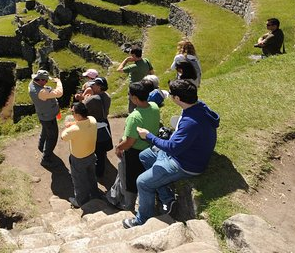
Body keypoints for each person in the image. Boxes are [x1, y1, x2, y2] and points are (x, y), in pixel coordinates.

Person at [123, 79, 220, 228]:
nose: (170, 97)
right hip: (184, 153)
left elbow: (173, 148)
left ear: (177, 99)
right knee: (145, 155)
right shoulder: (199, 107)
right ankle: (167, 198)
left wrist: (148, 136)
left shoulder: (190, 122)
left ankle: (142, 220)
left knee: (142, 182)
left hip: (185, 163)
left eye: (172, 95)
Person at [113, 81, 161, 211]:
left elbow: (130, 142)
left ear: (134, 98)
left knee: (131, 181)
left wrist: (118, 148)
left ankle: (128, 207)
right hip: (150, 150)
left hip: (135, 153)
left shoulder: (135, 117)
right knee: (144, 177)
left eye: (129, 94)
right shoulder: (154, 106)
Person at [61, 102, 101, 207]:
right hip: (91, 154)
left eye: (73, 112)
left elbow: (63, 137)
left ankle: (81, 201)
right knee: (91, 175)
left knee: (78, 180)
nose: (72, 114)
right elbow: (82, 123)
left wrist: (68, 126)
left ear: (78, 115)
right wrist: (74, 123)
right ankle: (95, 193)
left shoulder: (73, 130)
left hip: (78, 158)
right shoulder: (92, 120)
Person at [29, 69, 64, 167]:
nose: (46, 82)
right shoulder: (42, 92)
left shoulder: (32, 84)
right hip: (49, 117)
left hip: (43, 114)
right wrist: (58, 82)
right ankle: (46, 158)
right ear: (40, 80)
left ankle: (41, 146)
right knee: (52, 136)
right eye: (45, 80)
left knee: (45, 130)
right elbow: (59, 93)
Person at [82, 77, 112, 177]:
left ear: (99, 87)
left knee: (95, 149)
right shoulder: (107, 96)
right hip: (104, 123)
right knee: (102, 151)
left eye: (93, 85)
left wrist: (83, 99)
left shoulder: (92, 99)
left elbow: (82, 109)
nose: (91, 86)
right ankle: (101, 170)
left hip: (94, 126)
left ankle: (96, 173)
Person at [117, 45, 154, 112]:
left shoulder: (134, 66)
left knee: (132, 107)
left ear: (134, 55)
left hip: (134, 89)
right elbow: (152, 72)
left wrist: (126, 61)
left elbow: (119, 70)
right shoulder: (146, 61)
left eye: (131, 55)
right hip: (144, 87)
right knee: (143, 104)